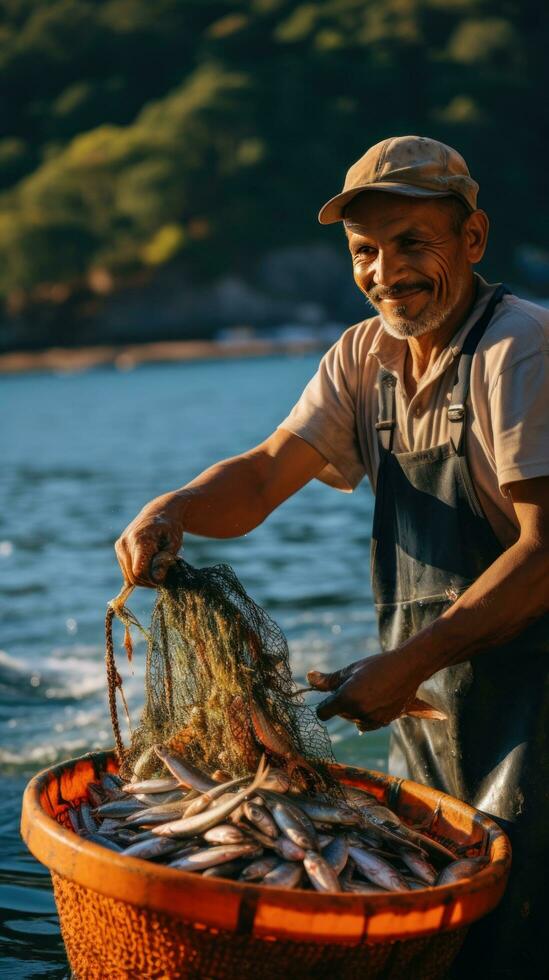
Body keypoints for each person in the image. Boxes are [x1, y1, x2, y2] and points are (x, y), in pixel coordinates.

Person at [115, 136, 549, 978]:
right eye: (364, 252)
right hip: (429, 719)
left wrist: (405, 666)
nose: (386, 271)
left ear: (473, 239)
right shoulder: (364, 357)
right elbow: (267, 472)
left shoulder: (518, 349)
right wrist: (174, 511)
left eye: (411, 243)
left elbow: (543, 553)